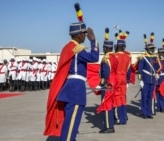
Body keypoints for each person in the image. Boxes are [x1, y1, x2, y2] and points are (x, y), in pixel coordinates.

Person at [43, 3, 99, 140]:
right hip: (75, 90)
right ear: (79, 35)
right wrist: (93, 41)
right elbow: (94, 57)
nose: (86, 36)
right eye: (84, 34)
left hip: (71, 88)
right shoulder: (76, 49)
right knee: (71, 126)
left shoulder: (69, 47)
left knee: (69, 124)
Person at [96, 28, 117, 133]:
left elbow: (105, 73)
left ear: (105, 48)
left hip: (107, 85)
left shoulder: (106, 59)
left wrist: (101, 83)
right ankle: (111, 124)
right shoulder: (114, 57)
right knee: (111, 105)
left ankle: (109, 127)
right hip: (114, 84)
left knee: (106, 105)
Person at [138, 33, 162, 119]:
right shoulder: (143, 57)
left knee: (150, 97)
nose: (152, 50)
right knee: (144, 96)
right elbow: (140, 69)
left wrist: (156, 74)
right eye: (151, 48)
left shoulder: (155, 57)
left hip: (152, 79)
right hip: (145, 79)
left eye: (153, 48)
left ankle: (148, 113)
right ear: (147, 49)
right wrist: (140, 80)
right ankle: (144, 113)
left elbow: (156, 67)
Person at [113, 30, 132, 125]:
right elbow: (129, 71)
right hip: (124, 79)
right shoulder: (128, 57)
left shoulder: (113, 56)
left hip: (116, 79)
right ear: (124, 47)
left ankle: (118, 118)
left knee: (116, 99)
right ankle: (124, 117)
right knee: (123, 99)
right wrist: (128, 81)